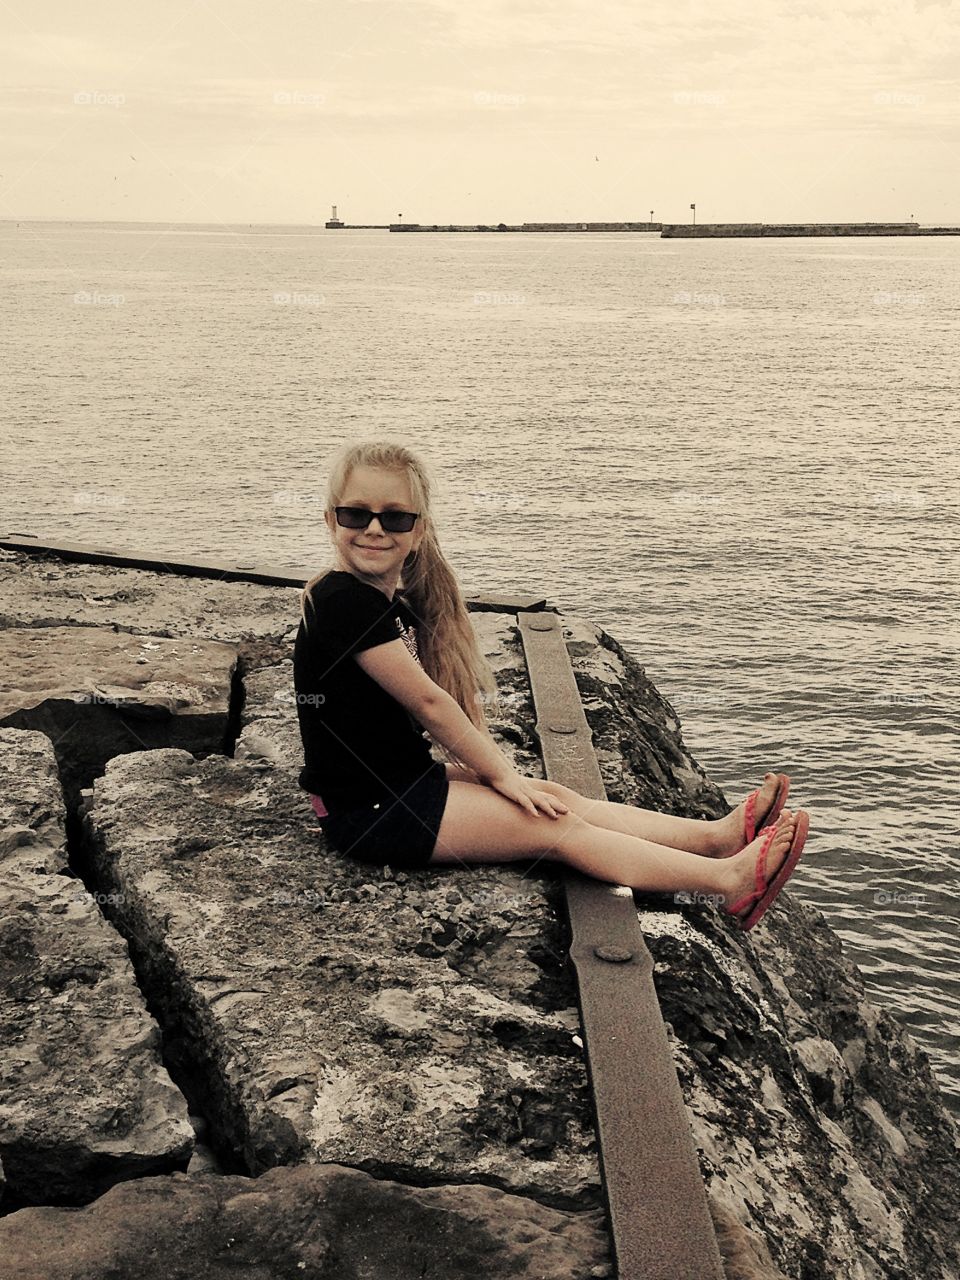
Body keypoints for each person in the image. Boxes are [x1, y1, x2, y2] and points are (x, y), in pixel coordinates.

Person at [293, 439, 809, 932]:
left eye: (396, 517)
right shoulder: (341, 601)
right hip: (370, 814)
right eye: (356, 514)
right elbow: (430, 702)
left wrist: (507, 781)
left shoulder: (385, 604)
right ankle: (726, 882)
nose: (375, 529)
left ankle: (715, 838)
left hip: (399, 788)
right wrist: (501, 775)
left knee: (557, 796)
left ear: (419, 529)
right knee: (555, 829)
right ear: (330, 519)